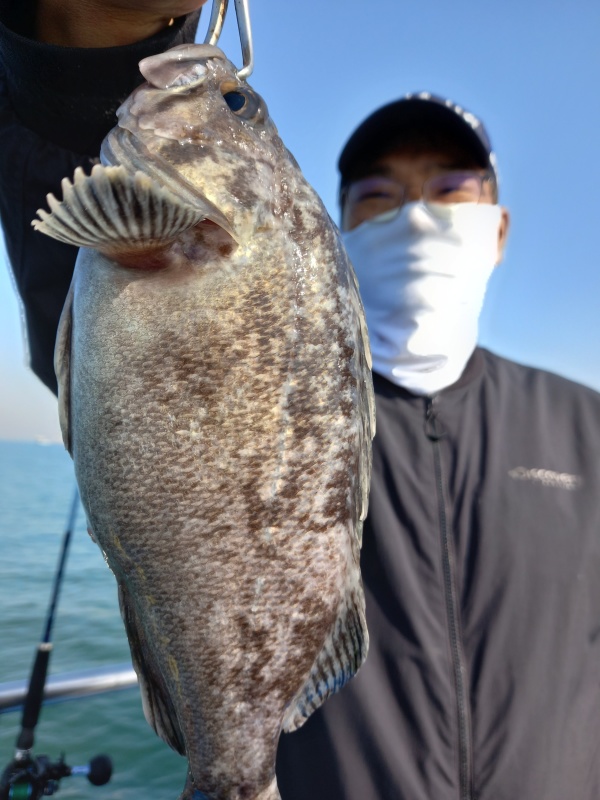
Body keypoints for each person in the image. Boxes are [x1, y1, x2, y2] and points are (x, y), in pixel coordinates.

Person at [2, 4, 600, 800]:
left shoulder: (590, 429)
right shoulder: (226, 293)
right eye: (380, 193)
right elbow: (66, 234)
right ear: (337, 226)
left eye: (451, 187)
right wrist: (85, 39)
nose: (416, 212)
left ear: (497, 229)